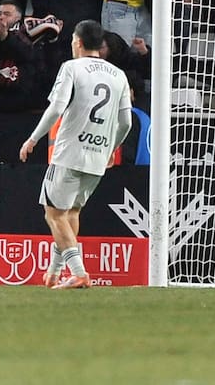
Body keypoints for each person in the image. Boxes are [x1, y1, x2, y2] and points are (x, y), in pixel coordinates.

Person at [18, 20, 133, 289]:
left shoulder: (71, 67)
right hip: (98, 155)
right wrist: (112, 148)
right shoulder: (119, 75)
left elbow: (56, 108)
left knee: (54, 214)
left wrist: (33, 138)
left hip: (70, 152)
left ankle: (79, 273)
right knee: (70, 213)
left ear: (78, 42)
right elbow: (126, 122)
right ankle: (55, 272)